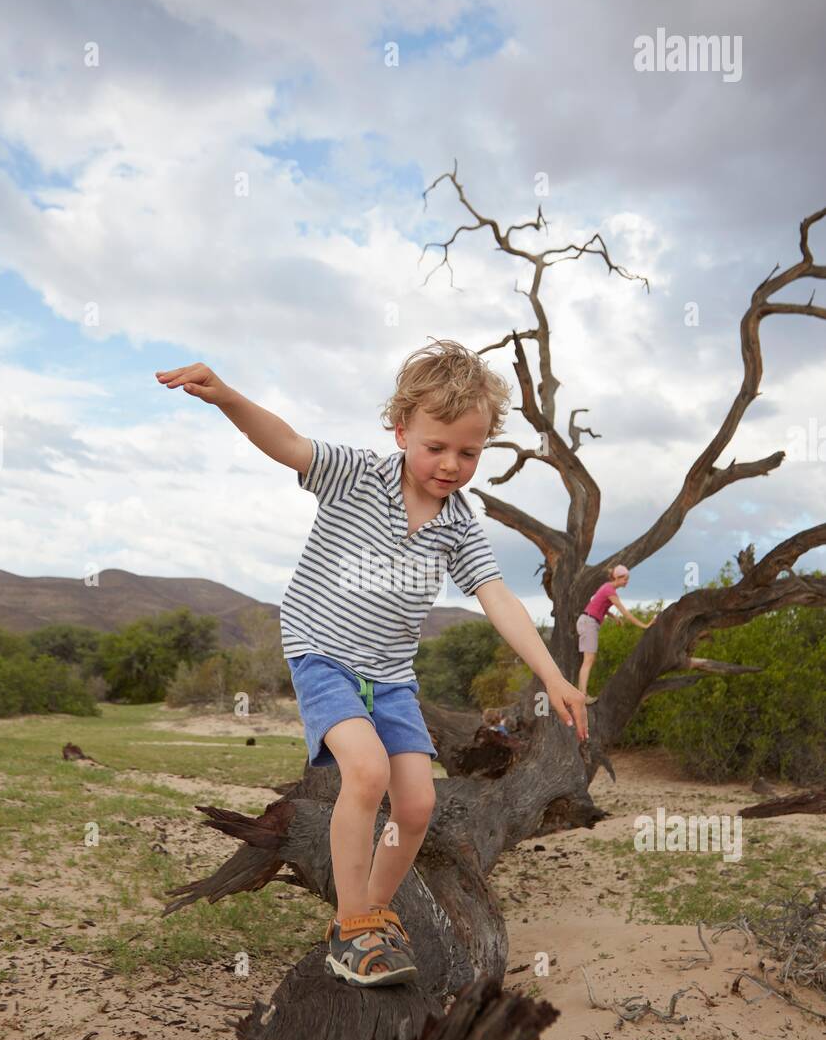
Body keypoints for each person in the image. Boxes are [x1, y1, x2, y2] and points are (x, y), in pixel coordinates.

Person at [155, 340, 588, 989]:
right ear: (401, 429)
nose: (450, 464)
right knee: (366, 771)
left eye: (468, 453)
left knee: (415, 806)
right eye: (436, 446)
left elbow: (496, 597)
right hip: (324, 652)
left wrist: (553, 674)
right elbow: (288, 443)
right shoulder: (356, 474)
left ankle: (369, 914)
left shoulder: (460, 524)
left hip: (390, 676)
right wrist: (231, 399)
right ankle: (354, 928)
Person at [576, 564, 653, 700]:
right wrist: (644, 625)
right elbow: (625, 612)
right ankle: (582, 695)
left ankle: (582, 693)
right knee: (588, 660)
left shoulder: (606, 587)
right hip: (589, 622)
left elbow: (598, 605)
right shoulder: (610, 590)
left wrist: (613, 616)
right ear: (618, 577)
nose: (627, 582)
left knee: (589, 659)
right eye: (625, 579)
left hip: (587, 621)